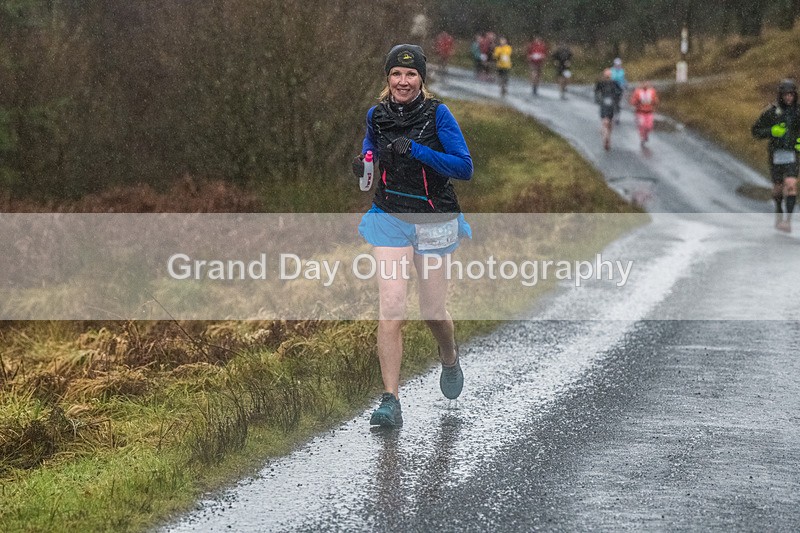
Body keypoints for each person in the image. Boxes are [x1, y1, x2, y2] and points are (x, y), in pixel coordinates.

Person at [352, 44, 474, 427]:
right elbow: (370, 152)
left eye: (410, 74)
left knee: (432, 311)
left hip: (434, 219)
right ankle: (390, 400)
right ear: (387, 78)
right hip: (390, 216)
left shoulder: (439, 114)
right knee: (391, 307)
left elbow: (464, 167)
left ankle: (449, 356)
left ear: (421, 78)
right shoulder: (376, 115)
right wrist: (364, 163)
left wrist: (418, 151)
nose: (403, 81)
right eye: (396, 74)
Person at [752, 79, 800, 232]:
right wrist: (771, 131)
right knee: (778, 189)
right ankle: (779, 211)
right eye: (786, 95)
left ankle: (788, 221)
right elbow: (755, 131)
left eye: (791, 94)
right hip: (776, 155)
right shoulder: (772, 112)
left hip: (793, 155)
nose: (789, 98)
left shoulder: (798, 112)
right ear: (781, 95)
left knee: (791, 185)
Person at [595, 68, 623, 151]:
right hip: (604, 105)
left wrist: (616, 100)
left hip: (611, 105)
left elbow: (619, 92)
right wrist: (598, 100)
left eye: (609, 75)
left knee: (609, 123)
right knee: (606, 122)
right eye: (606, 75)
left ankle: (607, 137)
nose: (607, 76)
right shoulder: (601, 83)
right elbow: (596, 92)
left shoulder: (614, 83)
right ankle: (606, 138)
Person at [630, 80, 659, 147]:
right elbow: (632, 101)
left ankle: (646, 135)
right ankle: (642, 138)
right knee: (641, 125)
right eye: (643, 83)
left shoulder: (652, 91)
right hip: (640, 112)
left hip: (649, 112)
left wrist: (654, 101)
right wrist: (636, 101)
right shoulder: (637, 91)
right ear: (641, 84)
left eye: (647, 83)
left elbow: (656, 101)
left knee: (649, 126)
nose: (645, 85)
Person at [609, 57, 627, 123]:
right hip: (612, 89)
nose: (617, 66)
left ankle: (617, 116)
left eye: (619, 64)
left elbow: (623, 80)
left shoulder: (622, 71)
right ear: (614, 64)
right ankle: (611, 115)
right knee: (612, 103)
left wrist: (624, 85)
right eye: (616, 64)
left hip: (619, 89)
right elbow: (609, 78)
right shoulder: (611, 70)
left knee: (618, 103)